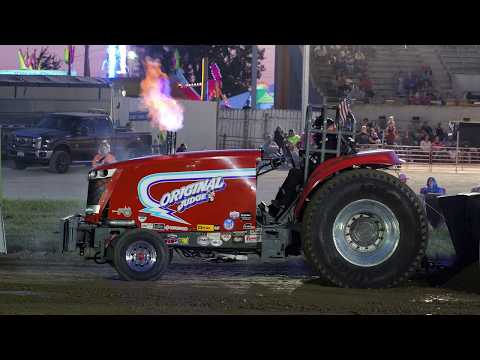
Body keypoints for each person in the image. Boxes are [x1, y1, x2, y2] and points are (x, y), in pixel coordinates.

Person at [268, 118, 338, 217]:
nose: (319, 129)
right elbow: (316, 155)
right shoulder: (326, 139)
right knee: (294, 172)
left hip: (319, 173)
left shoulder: (330, 140)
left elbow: (319, 159)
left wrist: (306, 158)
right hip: (316, 169)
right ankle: (279, 204)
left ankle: (283, 204)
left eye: (325, 126)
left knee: (294, 173)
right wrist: (304, 155)